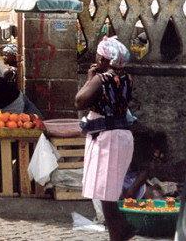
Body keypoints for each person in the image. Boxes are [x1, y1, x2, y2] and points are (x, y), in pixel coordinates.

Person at [75, 37, 135, 241]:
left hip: (107, 138)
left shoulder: (102, 79)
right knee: (107, 191)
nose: (96, 57)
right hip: (120, 136)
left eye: (98, 55)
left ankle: (120, 233)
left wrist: (89, 78)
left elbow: (79, 101)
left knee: (106, 192)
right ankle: (120, 230)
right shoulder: (127, 78)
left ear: (104, 58)